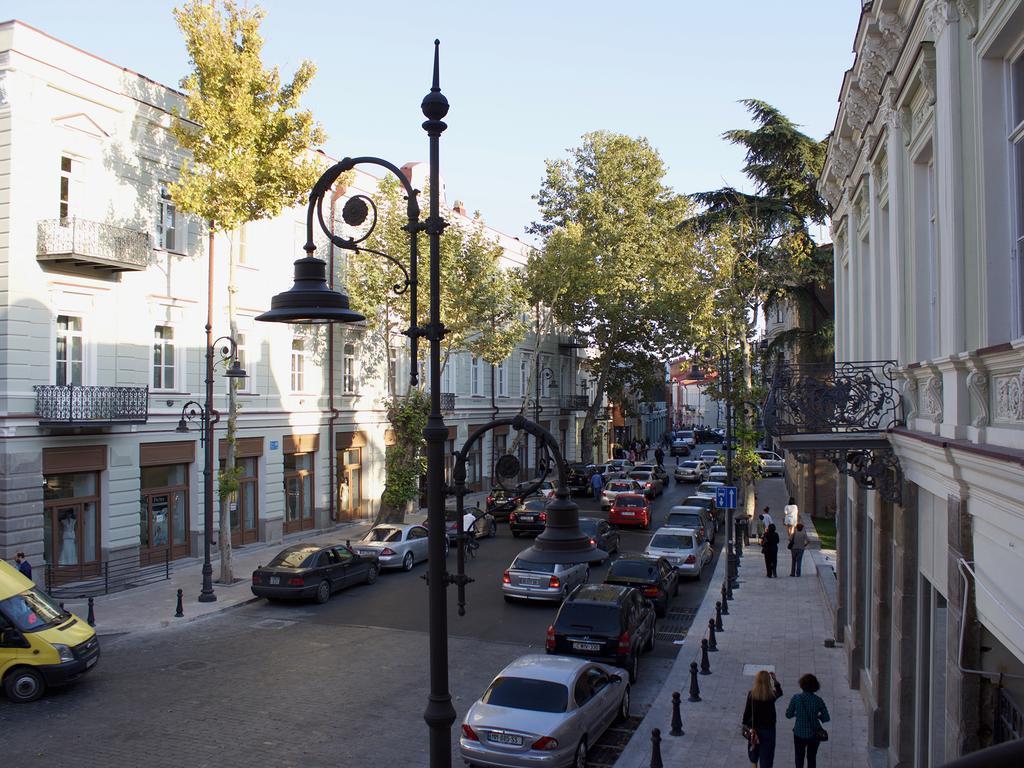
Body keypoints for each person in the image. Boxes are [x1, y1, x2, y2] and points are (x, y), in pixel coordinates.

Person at [786, 673, 831, 768]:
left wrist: (796, 714)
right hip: (814, 734)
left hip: (799, 733)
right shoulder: (818, 700)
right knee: (811, 758)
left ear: (802, 685)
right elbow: (826, 717)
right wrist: (818, 716)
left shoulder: (796, 698)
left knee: (799, 758)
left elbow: (788, 714)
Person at [742, 670, 783, 767]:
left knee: (754, 754)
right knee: (767, 757)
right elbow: (780, 692)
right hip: (768, 730)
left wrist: (745, 725)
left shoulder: (752, 694)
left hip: (754, 729)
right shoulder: (771, 695)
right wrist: (775, 680)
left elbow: (747, 712)